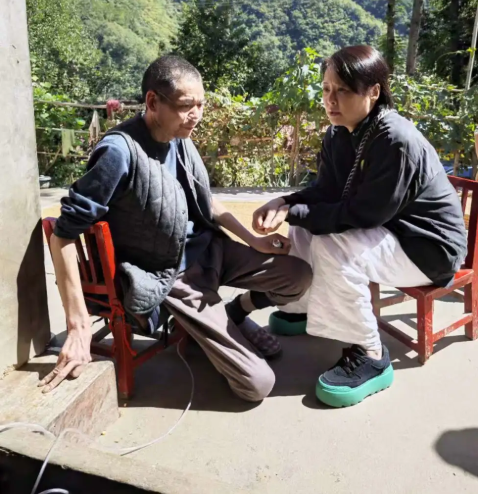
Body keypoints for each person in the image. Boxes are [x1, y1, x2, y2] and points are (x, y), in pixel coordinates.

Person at [42, 56, 312, 402]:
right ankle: (203, 329)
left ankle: (234, 312)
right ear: (153, 102)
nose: (196, 115)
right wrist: (78, 327)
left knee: (298, 275)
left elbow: (205, 200)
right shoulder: (118, 152)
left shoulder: (180, 136)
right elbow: (63, 233)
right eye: (186, 106)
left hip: (209, 251)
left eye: (201, 104)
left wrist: (253, 240)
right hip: (170, 274)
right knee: (256, 384)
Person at [253, 45, 467, 408]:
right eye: (326, 89)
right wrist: (285, 203)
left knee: (332, 245)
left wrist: (294, 212)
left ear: (373, 91)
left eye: (343, 90)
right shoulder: (339, 133)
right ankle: (302, 305)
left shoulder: (396, 140)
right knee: (304, 228)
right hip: (391, 232)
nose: (330, 99)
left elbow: (364, 215)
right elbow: (325, 192)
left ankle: (370, 353)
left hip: (428, 249)